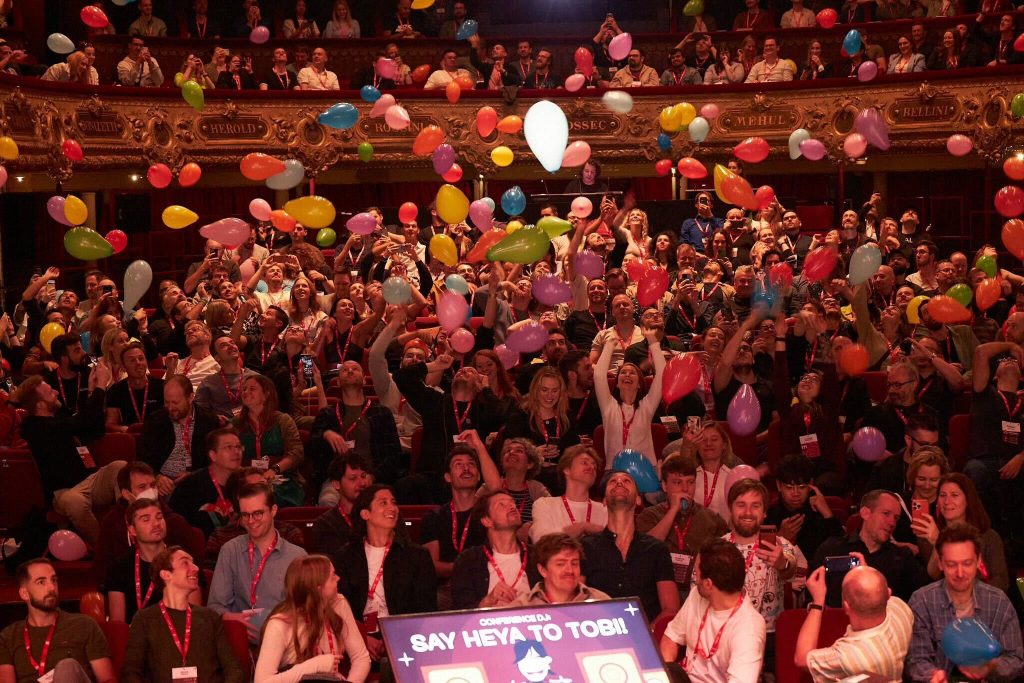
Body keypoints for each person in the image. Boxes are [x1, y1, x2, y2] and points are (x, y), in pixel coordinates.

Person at [13, 369, 123, 546]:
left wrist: (91, 390)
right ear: (40, 404)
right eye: (50, 392)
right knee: (74, 501)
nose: (56, 392)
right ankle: (104, 548)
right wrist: (100, 387)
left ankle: (128, 532)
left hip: (91, 480)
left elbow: (94, 428)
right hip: (64, 492)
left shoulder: (59, 419)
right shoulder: (36, 428)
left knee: (121, 467)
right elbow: (82, 422)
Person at [330, 485, 436, 662]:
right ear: (366, 514)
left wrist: (393, 638)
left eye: (393, 503)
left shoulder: (417, 556)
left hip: (405, 639)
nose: (392, 508)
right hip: (355, 638)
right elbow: (339, 606)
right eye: (383, 503)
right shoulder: (346, 556)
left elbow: (425, 610)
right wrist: (362, 637)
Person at [908, 525, 1023, 682]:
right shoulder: (922, 600)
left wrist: (991, 667)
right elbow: (916, 659)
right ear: (940, 563)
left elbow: (1016, 658)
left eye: (967, 563)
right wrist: (933, 675)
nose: (960, 573)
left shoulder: (998, 601)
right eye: (951, 564)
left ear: (979, 561)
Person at [121, 546, 243, 683]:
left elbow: (233, 668)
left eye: (193, 562)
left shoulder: (210, 617)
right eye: (185, 563)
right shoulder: (145, 619)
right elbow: (131, 672)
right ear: (166, 575)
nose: (196, 568)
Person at [209, 483, 307, 643]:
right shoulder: (230, 550)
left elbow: (307, 609)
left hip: (286, 643)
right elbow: (215, 606)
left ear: (273, 510)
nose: (251, 521)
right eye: (245, 515)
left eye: (258, 514)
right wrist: (233, 619)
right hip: (242, 642)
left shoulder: (297, 556)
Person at [659, 538, 766, 682]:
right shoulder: (697, 596)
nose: (695, 580)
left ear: (708, 584)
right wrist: (669, 675)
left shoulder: (748, 629)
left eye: (696, 573)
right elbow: (670, 638)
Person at [254, 555, 370, 683]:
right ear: (318, 589)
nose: (338, 578)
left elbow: (361, 658)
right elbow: (262, 681)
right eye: (332, 576)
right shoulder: (279, 624)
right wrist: (314, 666)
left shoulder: (339, 603)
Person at [582, 471, 679, 622]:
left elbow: (670, 609)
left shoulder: (657, 549)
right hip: (598, 638)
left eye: (626, 481)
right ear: (604, 501)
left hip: (647, 638)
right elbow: (575, 602)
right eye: (613, 481)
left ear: (638, 500)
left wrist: (646, 636)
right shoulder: (586, 547)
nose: (619, 482)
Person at [0, 558, 114, 683]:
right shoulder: (8, 637)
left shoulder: (84, 625)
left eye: (53, 580)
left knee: (67, 667)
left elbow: (107, 680)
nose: (51, 587)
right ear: (24, 593)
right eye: (41, 582)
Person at [795, 564, 914, 681]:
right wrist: (866, 573)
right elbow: (882, 595)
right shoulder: (901, 609)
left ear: (846, 607)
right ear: (888, 594)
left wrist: (817, 602)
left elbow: (802, 659)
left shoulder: (849, 655)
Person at [813, 490, 931, 605]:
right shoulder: (833, 549)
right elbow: (812, 596)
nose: (892, 523)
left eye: (896, 518)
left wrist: (936, 542)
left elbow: (927, 589)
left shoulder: (901, 557)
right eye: (886, 514)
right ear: (865, 513)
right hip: (837, 621)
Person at [636, 455, 729, 596]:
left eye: (690, 482)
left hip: (697, 590)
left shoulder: (712, 519)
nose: (685, 489)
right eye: (678, 482)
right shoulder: (650, 515)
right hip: (657, 589)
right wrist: (673, 510)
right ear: (664, 486)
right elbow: (645, 549)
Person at [309, 360, 401, 492]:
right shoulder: (327, 414)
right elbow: (312, 449)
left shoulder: (381, 413)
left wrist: (372, 476)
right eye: (345, 370)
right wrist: (325, 434)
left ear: (364, 380)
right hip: (337, 482)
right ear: (338, 382)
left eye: (355, 369)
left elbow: (393, 455)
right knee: (328, 500)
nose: (350, 371)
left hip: (372, 480)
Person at [104, 498, 201, 624]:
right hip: (135, 636)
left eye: (159, 517)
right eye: (146, 519)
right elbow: (118, 625)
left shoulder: (184, 562)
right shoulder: (119, 568)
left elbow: (195, 618)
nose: (156, 524)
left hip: (177, 636)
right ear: (132, 530)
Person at [451, 490, 540, 609]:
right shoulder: (468, 560)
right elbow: (460, 611)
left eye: (513, 503)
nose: (512, 507)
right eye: (501, 505)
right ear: (486, 521)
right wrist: (488, 601)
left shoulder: (537, 555)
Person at [419, 446, 487, 590]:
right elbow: (433, 566)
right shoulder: (433, 517)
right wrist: (464, 568)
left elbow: (496, 487)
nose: (466, 468)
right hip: (446, 590)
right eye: (459, 465)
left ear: (479, 476)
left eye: (471, 464)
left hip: (486, 585)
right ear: (448, 477)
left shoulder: (488, 514)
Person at [140, 375, 220, 491]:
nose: (170, 407)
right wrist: (156, 476)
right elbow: (143, 457)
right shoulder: (155, 421)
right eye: (167, 402)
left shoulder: (209, 421)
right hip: (162, 483)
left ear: (190, 398)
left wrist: (194, 474)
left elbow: (215, 460)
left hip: (198, 482)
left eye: (175, 402)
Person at [765, 455, 843, 560]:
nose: (796, 493)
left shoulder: (818, 510)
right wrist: (780, 537)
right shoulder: (769, 514)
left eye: (802, 487)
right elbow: (762, 557)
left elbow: (840, 549)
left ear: (810, 484)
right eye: (789, 487)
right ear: (779, 485)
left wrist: (827, 514)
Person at [529, 446, 606, 542]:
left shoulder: (604, 510)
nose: (591, 467)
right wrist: (581, 527)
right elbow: (540, 539)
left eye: (594, 466)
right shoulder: (545, 504)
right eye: (584, 462)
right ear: (567, 470)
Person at [515, 533, 610, 605]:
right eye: (560, 564)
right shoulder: (521, 607)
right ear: (543, 570)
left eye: (574, 563)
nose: (570, 570)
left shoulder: (602, 602)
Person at [310, 452, 372, 553]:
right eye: (353, 478)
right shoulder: (325, 525)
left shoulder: (381, 515)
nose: (362, 483)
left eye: (363, 476)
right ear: (336, 484)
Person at [105, 343, 164, 431]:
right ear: (123, 367)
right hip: (130, 437)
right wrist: (124, 429)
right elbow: (110, 423)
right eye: (132, 360)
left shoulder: (162, 386)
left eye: (141, 359)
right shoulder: (115, 390)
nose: (138, 363)